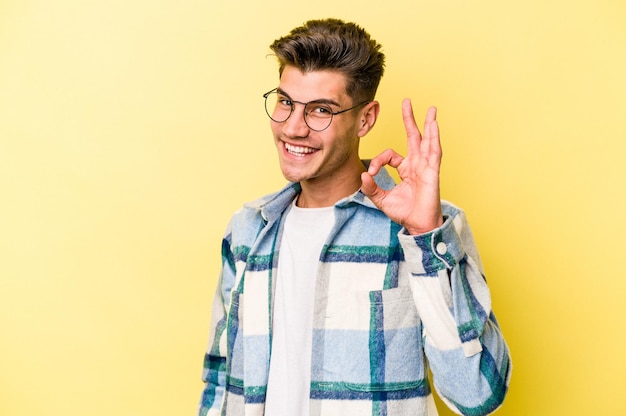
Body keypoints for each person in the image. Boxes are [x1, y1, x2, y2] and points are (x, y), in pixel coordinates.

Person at [198, 18, 511, 416]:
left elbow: (478, 394)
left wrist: (424, 237)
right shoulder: (247, 229)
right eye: (285, 102)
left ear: (365, 119)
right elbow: (220, 382)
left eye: (321, 111)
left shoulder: (427, 231)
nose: (293, 128)